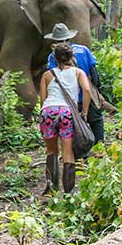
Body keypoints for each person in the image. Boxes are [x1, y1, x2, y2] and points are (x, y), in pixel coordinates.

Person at [38, 42, 92, 193]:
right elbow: (87, 90)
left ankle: (51, 189)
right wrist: (84, 113)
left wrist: (45, 113)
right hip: (67, 112)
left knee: (51, 151)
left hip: (48, 111)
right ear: (71, 57)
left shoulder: (47, 75)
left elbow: (43, 100)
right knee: (68, 151)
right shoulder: (78, 72)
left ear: (54, 58)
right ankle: (68, 192)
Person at [46, 23, 105, 148]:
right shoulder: (83, 50)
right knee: (96, 121)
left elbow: (54, 77)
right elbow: (94, 73)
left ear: (55, 40)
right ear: (69, 37)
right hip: (87, 94)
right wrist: (97, 91)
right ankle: (100, 149)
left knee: (73, 126)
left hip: (68, 98)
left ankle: (79, 153)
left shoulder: (53, 56)